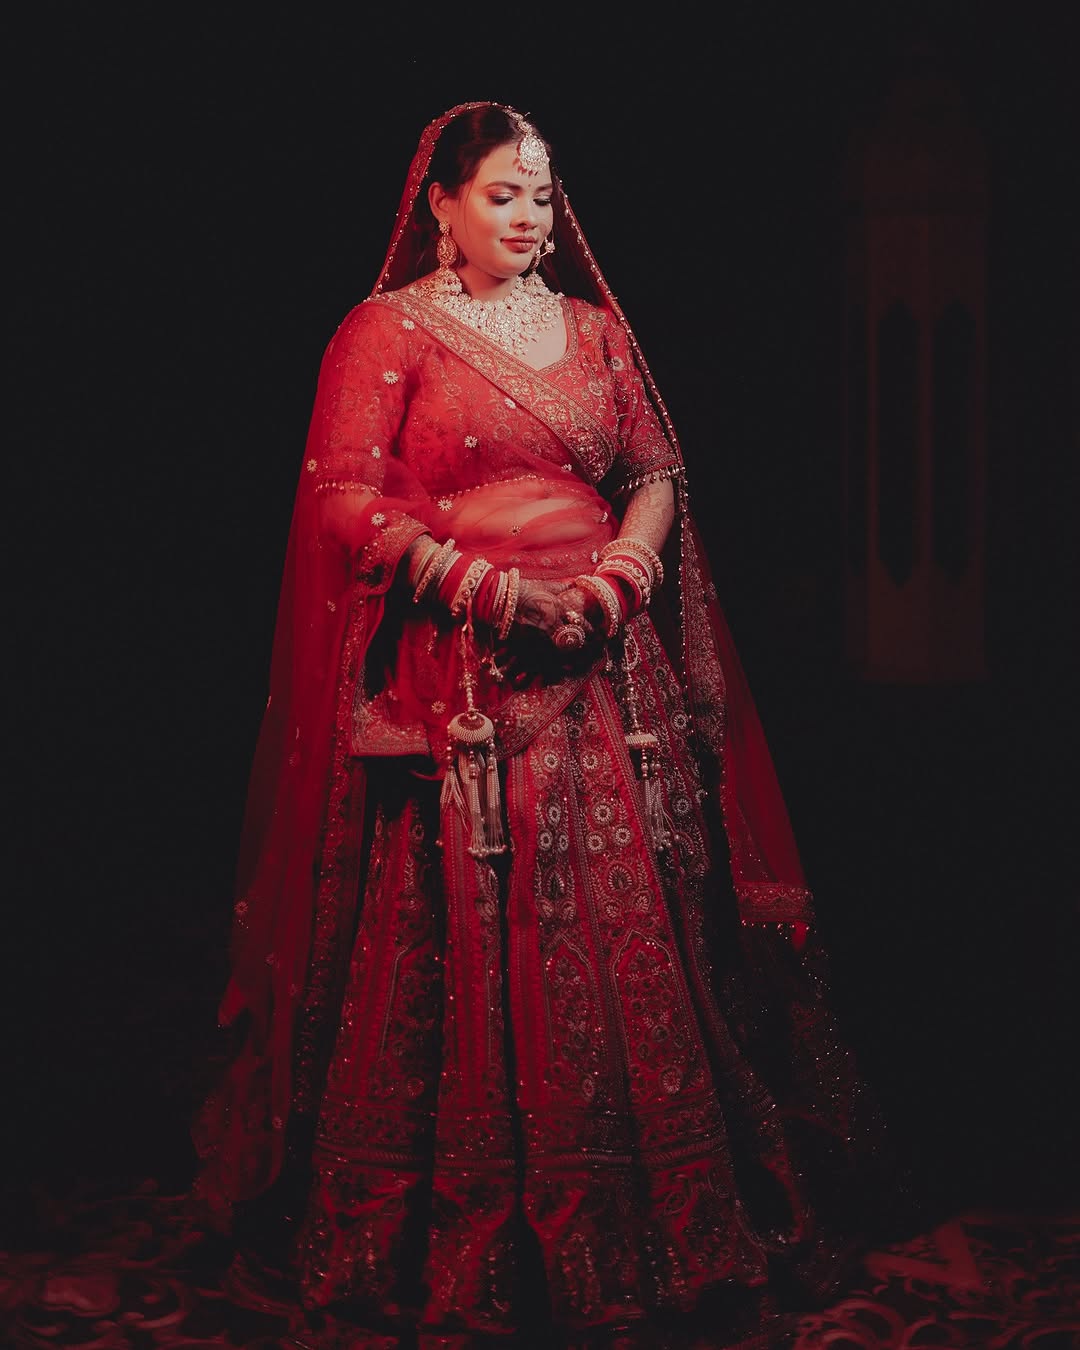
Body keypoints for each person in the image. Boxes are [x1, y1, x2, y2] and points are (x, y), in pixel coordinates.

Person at [191, 102, 896, 1347]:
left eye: (542, 195)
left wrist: (617, 582)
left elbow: (654, 476)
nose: (530, 217)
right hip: (464, 684)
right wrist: (485, 589)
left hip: (605, 682)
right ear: (443, 206)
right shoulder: (386, 329)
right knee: (459, 933)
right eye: (505, 194)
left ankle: (662, 1223)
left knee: (634, 935)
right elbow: (346, 498)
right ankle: (449, 1234)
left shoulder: (594, 330)